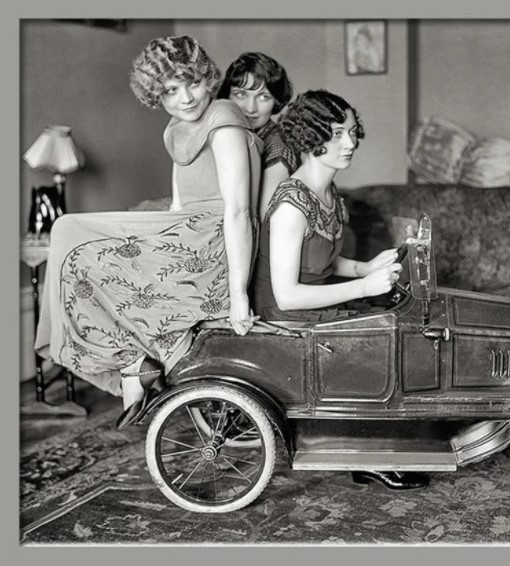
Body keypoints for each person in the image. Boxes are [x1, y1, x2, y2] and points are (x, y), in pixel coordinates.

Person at [35, 36, 262, 428]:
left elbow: (239, 210)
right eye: (171, 90)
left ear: (207, 78)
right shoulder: (177, 128)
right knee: (74, 243)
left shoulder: (223, 116)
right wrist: (138, 249)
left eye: (192, 82)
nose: (186, 98)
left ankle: (133, 366)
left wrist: (238, 295)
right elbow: (176, 205)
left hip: (213, 242)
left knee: (68, 229)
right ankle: (132, 362)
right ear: (156, 95)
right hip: (184, 232)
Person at [253, 89, 429, 490]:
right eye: (336, 134)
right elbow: (288, 295)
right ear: (310, 136)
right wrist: (363, 285)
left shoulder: (327, 193)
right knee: (384, 334)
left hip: (313, 300)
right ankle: (370, 452)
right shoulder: (290, 206)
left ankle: (375, 447)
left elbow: (323, 262)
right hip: (287, 316)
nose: (350, 143)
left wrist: (365, 266)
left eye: (351, 131)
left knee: (397, 313)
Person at [217, 52, 299, 219]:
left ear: (276, 102)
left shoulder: (278, 149)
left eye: (263, 97)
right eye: (241, 94)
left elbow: (265, 219)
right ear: (227, 96)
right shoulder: (231, 134)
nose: (250, 108)